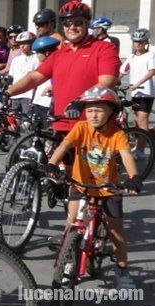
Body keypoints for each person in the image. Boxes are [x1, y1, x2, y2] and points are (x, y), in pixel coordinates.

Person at [45, 86, 142, 291]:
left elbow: (126, 156)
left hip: (109, 189)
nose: (93, 115)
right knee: (71, 223)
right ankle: (68, 260)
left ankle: (122, 270)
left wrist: (134, 177)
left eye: (99, 110)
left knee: (116, 232)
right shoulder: (81, 127)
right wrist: (52, 163)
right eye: (89, 110)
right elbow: (64, 146)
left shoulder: (117, 134)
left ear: (111, 112)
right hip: (81, 185)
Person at [7, 0, 120, 134]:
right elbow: (35, 77)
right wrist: (7, 93)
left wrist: (79, 102)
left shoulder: (104, 48)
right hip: (61, 124)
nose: (72, 27)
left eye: (77, 22)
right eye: (67, 23)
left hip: (91, 129)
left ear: (87, 23)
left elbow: (107, 82)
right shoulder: (60, 53)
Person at [120, 28, 155, 160]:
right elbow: (122, 71)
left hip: (147, 92)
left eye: (140, 42)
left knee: (142, 120)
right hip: (136, 93)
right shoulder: (132, 57)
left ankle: (140, 151)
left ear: (146, 42)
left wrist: (137, 83)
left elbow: (152, 71)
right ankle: (140, 146)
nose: (137, 44)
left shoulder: (150, 56)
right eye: (135, 42)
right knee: (136, 120)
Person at [30, 36, 60, 128]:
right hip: (38, 103)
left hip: (48, 105)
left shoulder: (57, 66)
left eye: (38, 53)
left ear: (47, 53)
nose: (36, 55)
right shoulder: (41, 65)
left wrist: (52, 88)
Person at [7, 31, 38, 117]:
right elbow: (11, 79)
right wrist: (10, 95)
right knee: (13, 120)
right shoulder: (16, 60)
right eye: (20, 44)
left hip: (28, 96)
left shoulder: (36, 58)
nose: (22, 46)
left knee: (26, 121)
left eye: (25, 43)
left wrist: (34, 97)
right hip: (15, 96)